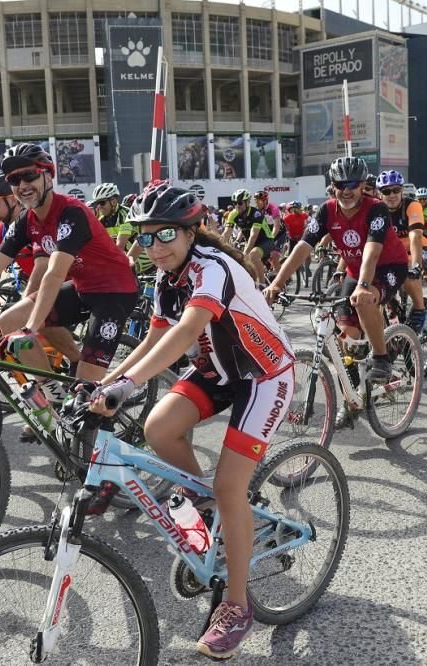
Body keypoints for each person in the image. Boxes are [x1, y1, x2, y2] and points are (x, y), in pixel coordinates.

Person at [88, 182, 294, 660]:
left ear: (191, 231)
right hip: (218, 373)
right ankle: (212, 507)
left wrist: (127, 387)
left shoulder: (213, 268)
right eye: (144, 238)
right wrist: (104, 380)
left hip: (264, 376)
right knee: (158, 428)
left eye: (164, 236)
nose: (153, 248)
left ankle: (237, 606)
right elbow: (152, 341)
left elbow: (184, 334)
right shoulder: (165, 278)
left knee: (229, 487)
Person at [0, 143, 138, 384]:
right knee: (9, 320)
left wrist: (30, 328)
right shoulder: (26, 221)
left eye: (29, 175)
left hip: (115, 292)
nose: (22, 186)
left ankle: (89, 403)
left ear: (48, 176)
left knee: (86, 393)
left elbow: (53, 274)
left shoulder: (71, 213)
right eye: (14, 180)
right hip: (84, 288)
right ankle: (51, 396)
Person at [266, 156, 409, 384]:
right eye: (340, 185)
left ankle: (382, 358)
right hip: (355, 270)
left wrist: (363, 287)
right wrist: (276, 284)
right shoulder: (326, 210)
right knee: (345, 339)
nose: (346, 190)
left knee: (363, 300)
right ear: (332, 186)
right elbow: (302, 248)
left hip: (389, 267)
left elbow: (371, 253)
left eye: (353, 184)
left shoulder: (377, 208)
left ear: (363, 185)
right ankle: (352, 396)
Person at [376, 170, 427, 333]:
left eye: (396, 190)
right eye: (386, 191)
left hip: (419, 249)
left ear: (402, 191)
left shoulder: (412, 205)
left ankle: (420, 310)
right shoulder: (376, 209)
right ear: (379, 194)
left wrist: (416, 266)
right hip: (394, 253)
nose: (392, 195)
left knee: (408, 272)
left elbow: (415, 237)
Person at [91, 182, 133, 250]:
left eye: (102, 203)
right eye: (97, 203)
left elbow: (120, 246)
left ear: (113, 201)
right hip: (125, 257)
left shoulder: (126, 215)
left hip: (142, 258)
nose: (99, 207)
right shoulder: (101, 220)